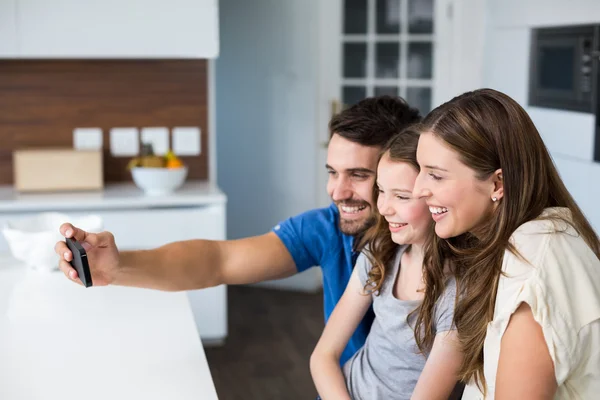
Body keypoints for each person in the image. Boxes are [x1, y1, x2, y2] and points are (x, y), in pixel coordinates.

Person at [54, 95, 422, 365]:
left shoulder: (437, 250)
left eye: (358, 175)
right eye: (331, 172)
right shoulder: (327, 227)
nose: (337, 192)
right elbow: (218, 260)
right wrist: (118, 267)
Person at [412, 88, 600, 399]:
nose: (419, 189)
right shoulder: (523, 240)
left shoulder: (534, 267)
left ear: (497, 184)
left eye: (436, 176)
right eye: (421, 170)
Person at [310, 130, 463, 400]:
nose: (384, 208)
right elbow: (323, 356)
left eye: (402, 197)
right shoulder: (380, 254)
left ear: (436, 199)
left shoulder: (456, 295)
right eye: (381, 191)